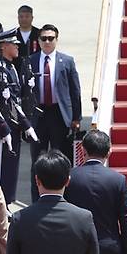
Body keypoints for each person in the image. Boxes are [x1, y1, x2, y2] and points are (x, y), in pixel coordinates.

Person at [30, 24, 82, 201]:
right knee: (38, 159)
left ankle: (64, 198)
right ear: (38, 41)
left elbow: (75, 91)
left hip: (60, 115)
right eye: (43, 38)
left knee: (61, 157)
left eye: (50, 38)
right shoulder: (30, 61)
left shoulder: (66, 61)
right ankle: (37, 200)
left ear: (56, 40)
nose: (47, 42)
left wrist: (76, 117)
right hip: (38, 115)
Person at [0, 29, 38, 204]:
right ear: (4, 46)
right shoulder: (1, 69)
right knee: (4, 167)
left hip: (14, 124)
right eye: (13, 43)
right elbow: (8, 100)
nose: (17, 46)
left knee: (12, 167)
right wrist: (25, 123)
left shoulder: (11, 66)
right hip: (7, 123)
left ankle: (8, 200)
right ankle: (0, 202)